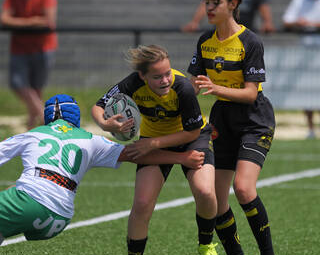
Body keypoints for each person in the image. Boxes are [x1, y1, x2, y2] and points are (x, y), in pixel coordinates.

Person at [0, 94, 205, 246]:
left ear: (47, 118)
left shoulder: (33, 134)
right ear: (75, 118)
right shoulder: (91, 140)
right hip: (59, 218)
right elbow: (136, 154)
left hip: (31, 199)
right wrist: (181, 158)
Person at [92, 44, 223, 255]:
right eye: (157, 76)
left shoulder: (182, 87)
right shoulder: (132, 83)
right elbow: (98, 106)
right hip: (154, 137)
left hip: (192, 137)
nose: (165, 80)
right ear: (142, 76)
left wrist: (153, 145)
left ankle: (206, 245)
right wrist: (105, 123)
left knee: (205, 192)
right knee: (142, 203)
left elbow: (192, 133)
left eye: (167, 73)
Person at [187, 0, 280, 255]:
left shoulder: (250, 41)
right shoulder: (204, 41)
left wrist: (215, 88)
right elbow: (192, 85)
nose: (210, 8)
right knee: (215, 197)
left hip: (255, 118)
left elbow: (251, 93)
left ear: (233, 4)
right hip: (222, 119)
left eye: (216, 2)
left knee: (243, 187)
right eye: (207, 2)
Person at [0, 0, 58, 130]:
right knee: (17, 84)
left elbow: (48, 21)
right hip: (19, 48)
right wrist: (32, 21)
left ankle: (32, 126)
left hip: (43, 47)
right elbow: (4, 19)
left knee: (37, 88)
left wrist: (19, 23)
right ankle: (45, 117)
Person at [282, 0, 320, 140]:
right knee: (308, 92)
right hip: (306, 51)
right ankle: (311, 128)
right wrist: (300, 22)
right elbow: (287, 20)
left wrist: (313, 24)